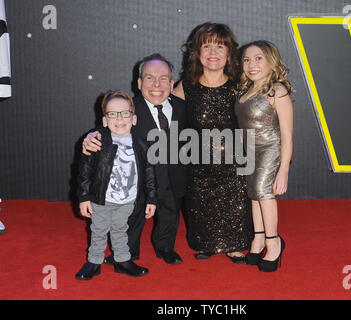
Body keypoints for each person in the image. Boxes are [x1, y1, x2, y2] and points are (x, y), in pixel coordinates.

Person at [82, 54, 187, 265]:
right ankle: (128, 252)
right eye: (149, 78)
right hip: (137, 178)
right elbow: (109, 125)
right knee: (133, 216)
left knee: (170, 213)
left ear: (172, 83)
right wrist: (91, 136)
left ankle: (165, 247)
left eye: (163, 78)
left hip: (173, 174)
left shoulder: (183, 107)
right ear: (139, 83)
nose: (156, 84)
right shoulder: (130, 109)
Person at [173, 22, 253, 263]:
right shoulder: (187, 86)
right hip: (199, 165)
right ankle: (207, 243)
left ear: (229, 52)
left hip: (234, 166)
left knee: (236, 201)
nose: (213, 53)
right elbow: (165, 119)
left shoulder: (240, 85)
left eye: (220, 46)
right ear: (197, 52)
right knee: (199, 202)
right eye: (207, 46)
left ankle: (234, 245)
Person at [76, 90, 157, 280]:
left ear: (134, 118)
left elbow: (149, 173)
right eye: (112, 114)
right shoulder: (96, 142)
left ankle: (122, 261)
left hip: (128, 200)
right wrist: (84, 197)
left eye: (125, 113)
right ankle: (94, 262)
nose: (119, 118)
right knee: (98, 231)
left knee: (121, 231)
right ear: (104, 120)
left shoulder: (142, 144)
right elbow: (84, 171)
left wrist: (152, 198)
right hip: (101, 199)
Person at [234, 40, 293, 272]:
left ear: (271, 60)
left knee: (264, 193)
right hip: (248, 150)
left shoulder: (277, 90)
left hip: (270, 149)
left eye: (258, 58)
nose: (252, 64)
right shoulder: (245, 91)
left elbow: (287, 134)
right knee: (253, 195)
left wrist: (284, 169)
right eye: (247, 60)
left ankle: (274, 242)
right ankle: (258, 239)